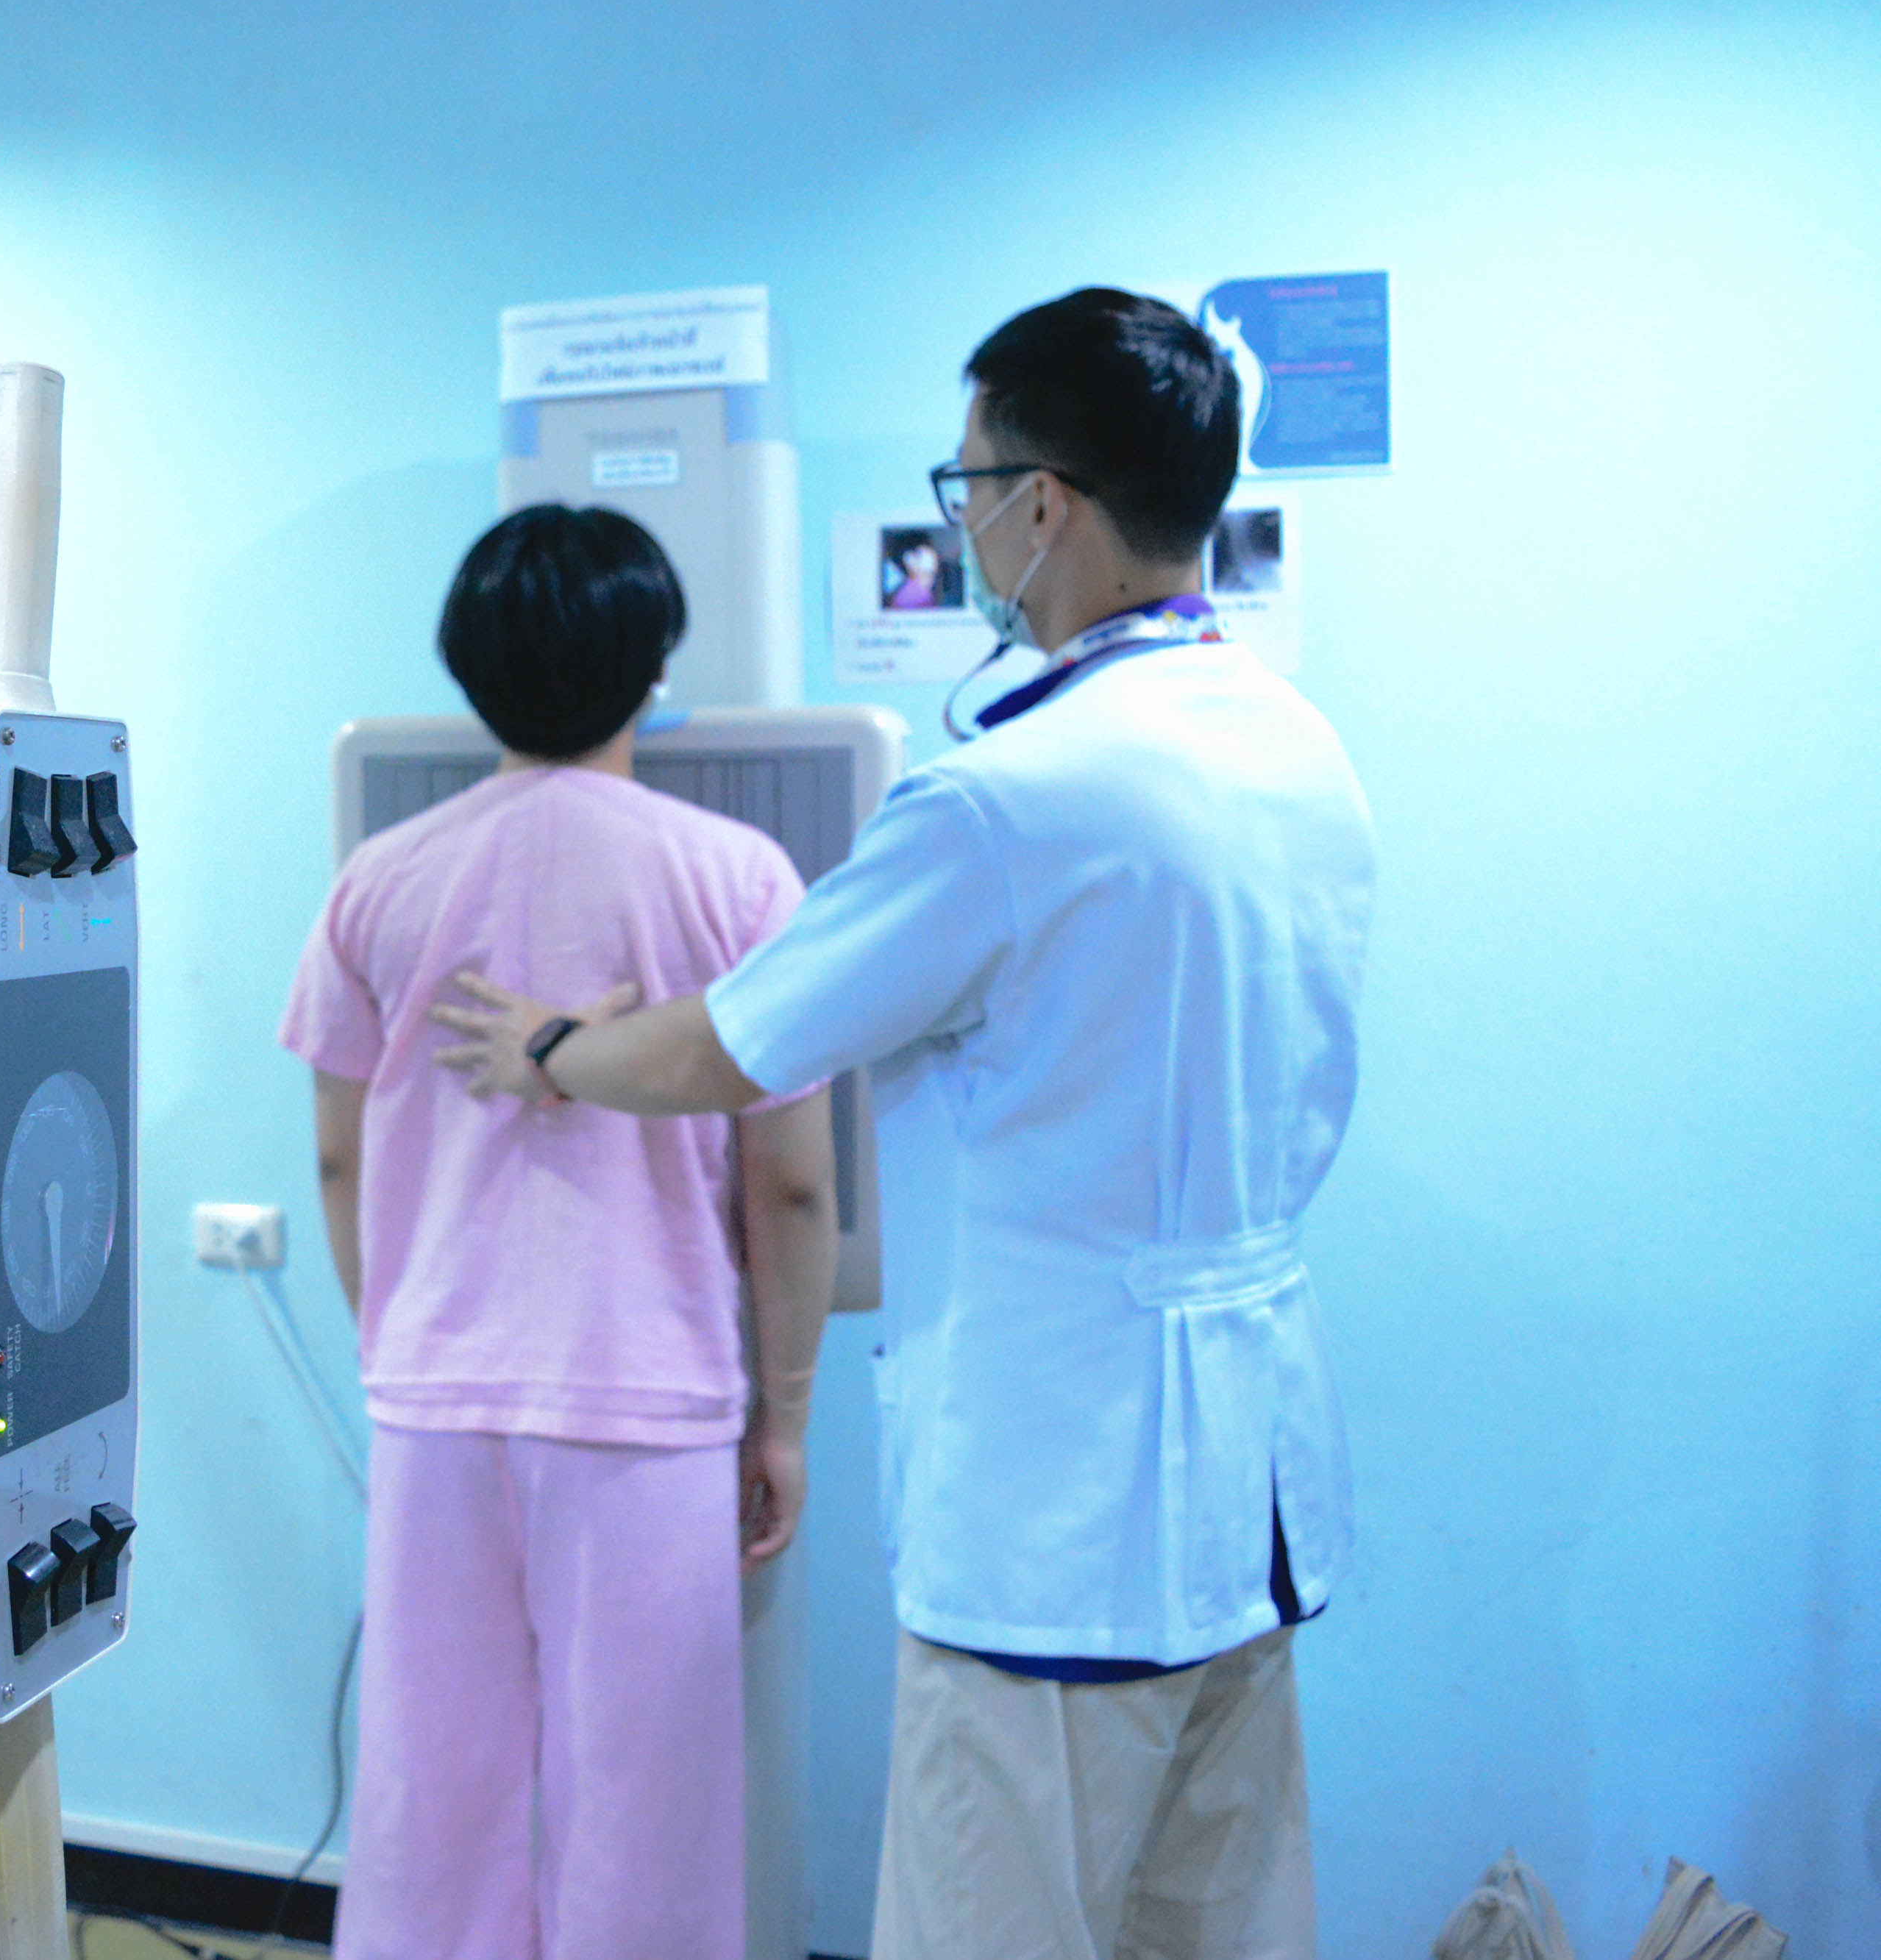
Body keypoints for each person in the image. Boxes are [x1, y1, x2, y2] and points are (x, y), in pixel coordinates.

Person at [435, 291, 1374, 1960]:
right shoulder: (1294, 742)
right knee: (1208, 1924)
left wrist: (554, 1047)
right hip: (1250, 1493)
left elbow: (734, 1049)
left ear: (1046, 504)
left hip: (1058, 1510)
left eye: (971, 487)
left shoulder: (1011, 796)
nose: (967, 524)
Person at [280, 503, 840, 1960]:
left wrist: (401, 1342)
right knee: (647, 1804)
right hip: (648, 1404)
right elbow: (790, 1186)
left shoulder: (377, 882)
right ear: (655, 667)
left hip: (436, 1399)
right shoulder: (738, 879)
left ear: (469, 670)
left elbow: (341, 1158)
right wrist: (783, 1419)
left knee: (431, 1797)